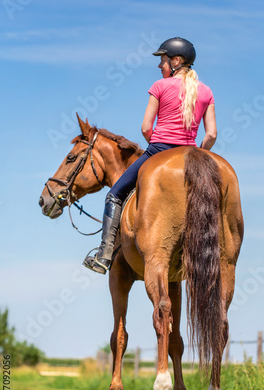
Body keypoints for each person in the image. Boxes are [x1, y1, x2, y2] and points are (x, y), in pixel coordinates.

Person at [83, 37, 217, 274]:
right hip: (190, 154)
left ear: (176, 61)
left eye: (163, 61)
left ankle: (103, 256)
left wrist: (157, 149)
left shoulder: (159, 86)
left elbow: (146, 128)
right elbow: (212, 135)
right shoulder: (206, 91)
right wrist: (198, 154)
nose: (160, 66)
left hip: (159, 150)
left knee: (114, 196)